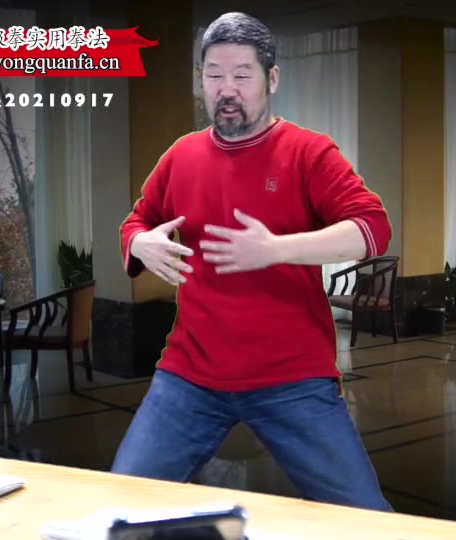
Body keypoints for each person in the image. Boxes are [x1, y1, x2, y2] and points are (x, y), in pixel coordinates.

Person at [111, 11, 393, 513]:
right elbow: (138, 221)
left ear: (272, 79)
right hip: (190, 375)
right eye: (214, 75)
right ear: (200, 81)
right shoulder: (181, 156)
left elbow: (372, 228)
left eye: (242, 75)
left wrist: (276, 249)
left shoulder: (308, 152)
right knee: (124, 506)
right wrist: (139, 244)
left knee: (365, 519)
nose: (227, 89)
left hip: (293, 377)